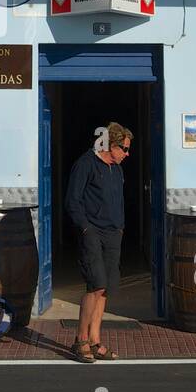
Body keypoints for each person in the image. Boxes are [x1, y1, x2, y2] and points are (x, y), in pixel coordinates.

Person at [63, 121, 132, 362]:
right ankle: (80, 339)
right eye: (124, 148)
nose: (127, 153)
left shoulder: (117, 169)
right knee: (96, 285)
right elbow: (72, 201)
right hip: (92, 232)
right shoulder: (86, 164)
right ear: (111, 145)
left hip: (114, 233)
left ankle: (95, 340)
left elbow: (119, 201)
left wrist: (121, 227)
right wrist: (85, 229)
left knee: (106, 290)